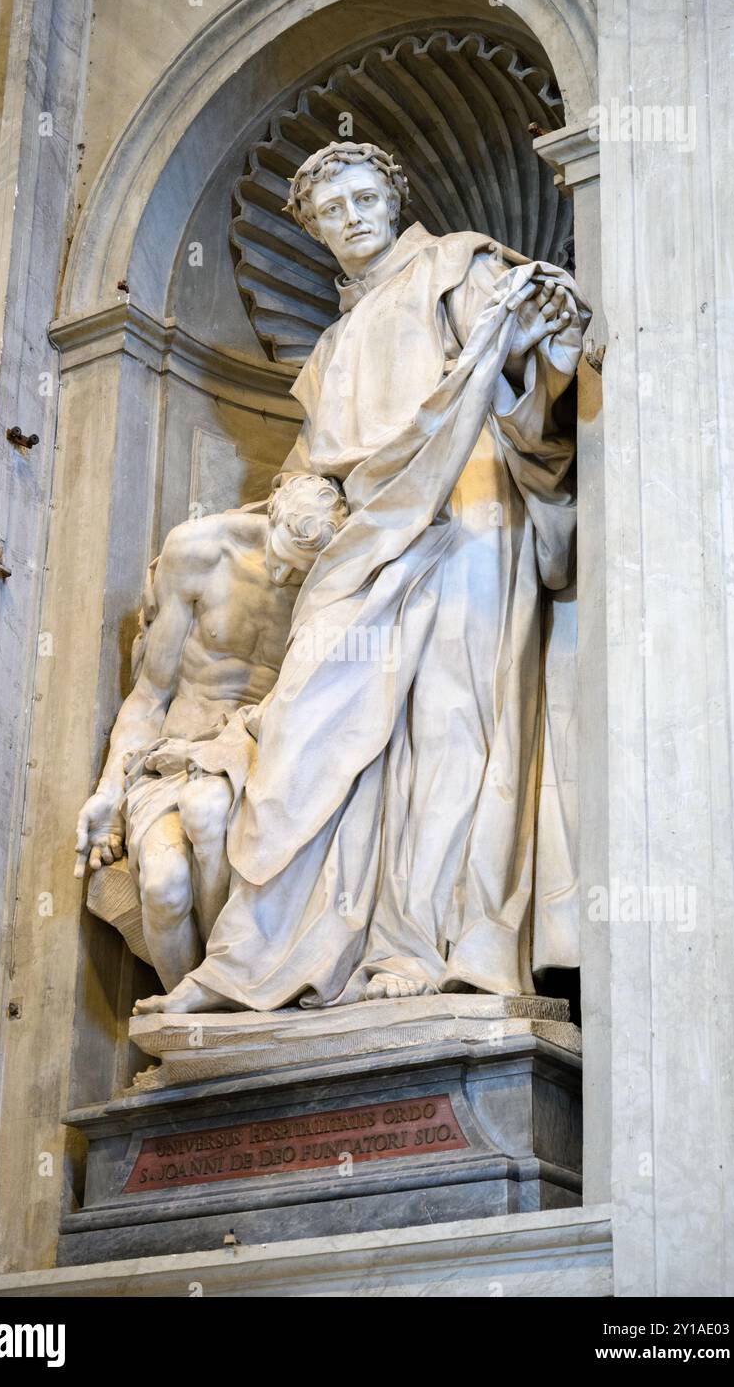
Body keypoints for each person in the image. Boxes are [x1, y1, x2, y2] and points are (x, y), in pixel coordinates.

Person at [133, 140, 590, 1015]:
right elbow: (312, 467)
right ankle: (258, 955)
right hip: (367, 542)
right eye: (330, 210)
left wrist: (541, 338)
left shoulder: (461, 266)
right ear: (314, 231)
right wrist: (303, 499)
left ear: (392, 197)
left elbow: (540, 373)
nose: (351, 217)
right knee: (311, 727)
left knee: (454, 724)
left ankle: (425, 943)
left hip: (469, 508)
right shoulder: (332, 347)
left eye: (362, 197)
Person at [74, 474, 349, 988]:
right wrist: (110, 792)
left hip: (261, 762)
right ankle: (190, 1033)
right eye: (281, 556)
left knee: (206, 810)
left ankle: (220, 992)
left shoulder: (340, 586)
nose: (284, 575)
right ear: (271, 516)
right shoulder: (199, 549)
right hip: (171, 757)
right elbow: (151, 695)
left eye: (300, 572)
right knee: (162, 886)